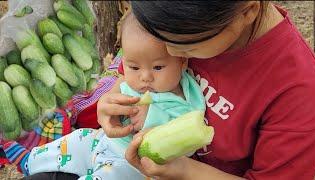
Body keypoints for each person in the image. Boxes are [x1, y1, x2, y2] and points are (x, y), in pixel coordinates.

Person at [97, 1, 315, 180]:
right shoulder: (173, 21)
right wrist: (115, 99)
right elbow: (133, 69)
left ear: (248, 11)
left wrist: (184, 171)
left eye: (186, 46)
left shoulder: (298, 91)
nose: (170, 52)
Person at [2, 12, 205, 180]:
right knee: (76, 139)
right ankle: (33, 161)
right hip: (102, 141)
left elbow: (185, 142)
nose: (145, 77)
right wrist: (111, 102)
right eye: (133, 67)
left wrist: (152, 120)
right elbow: (114, 96)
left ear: (182, 62)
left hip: (132, 165)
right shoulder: (132, 82)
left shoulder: (185, 99)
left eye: (158, 67)